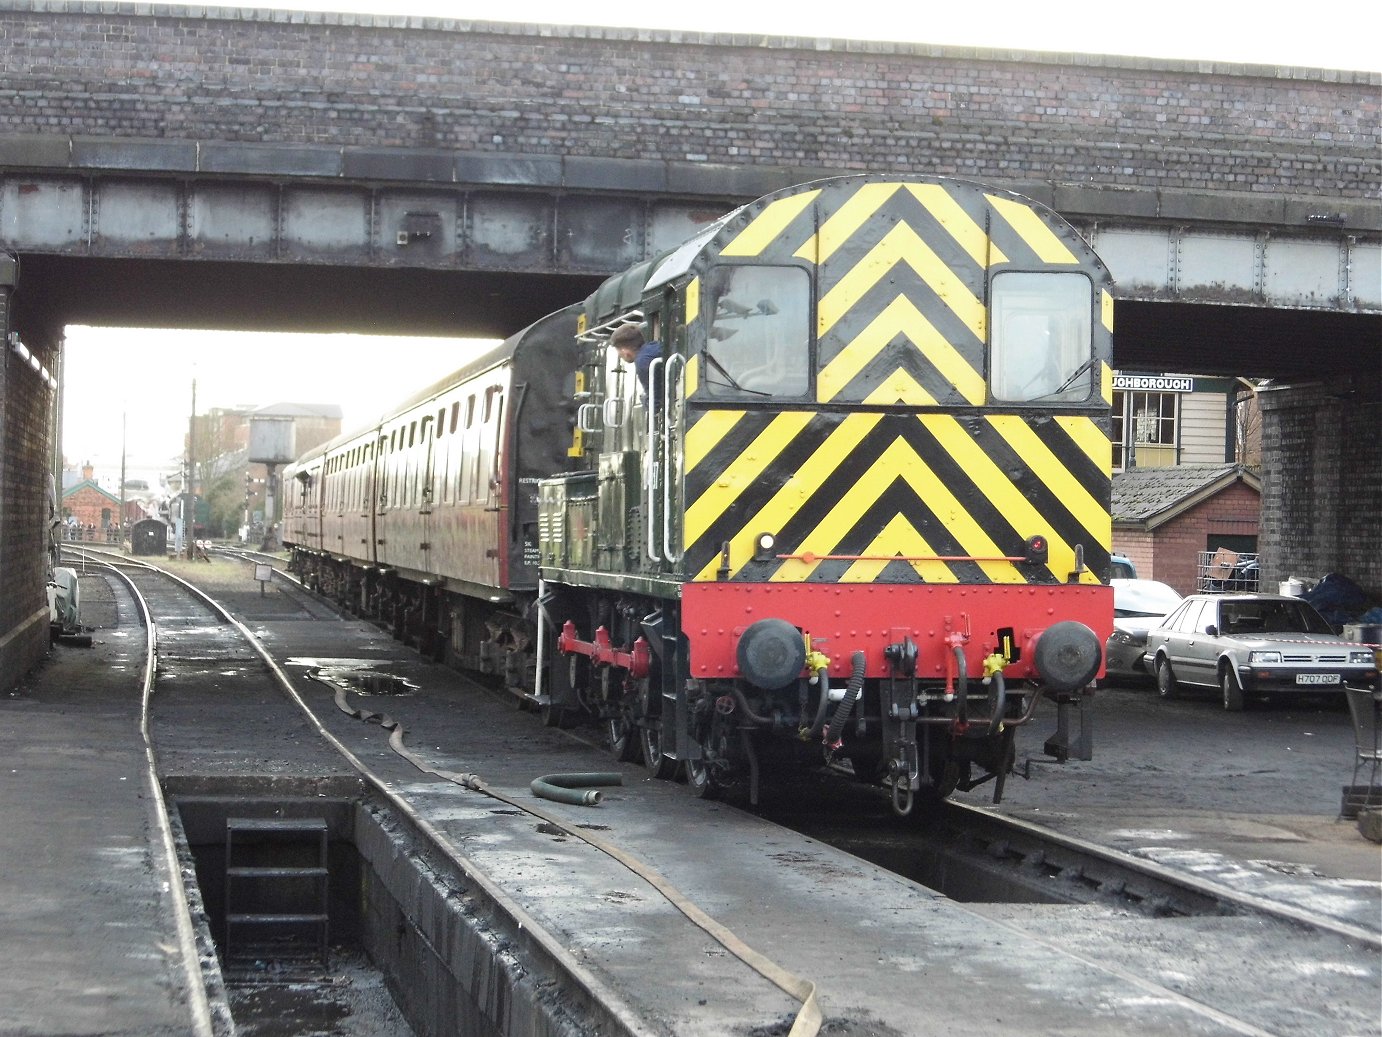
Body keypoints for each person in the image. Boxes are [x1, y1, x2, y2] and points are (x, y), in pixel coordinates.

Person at [610, 324, 663, 400]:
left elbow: (655, 401)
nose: (619, 355)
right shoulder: (654, 346)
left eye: (618, 350)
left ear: (624, 351)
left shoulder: (642, 362)